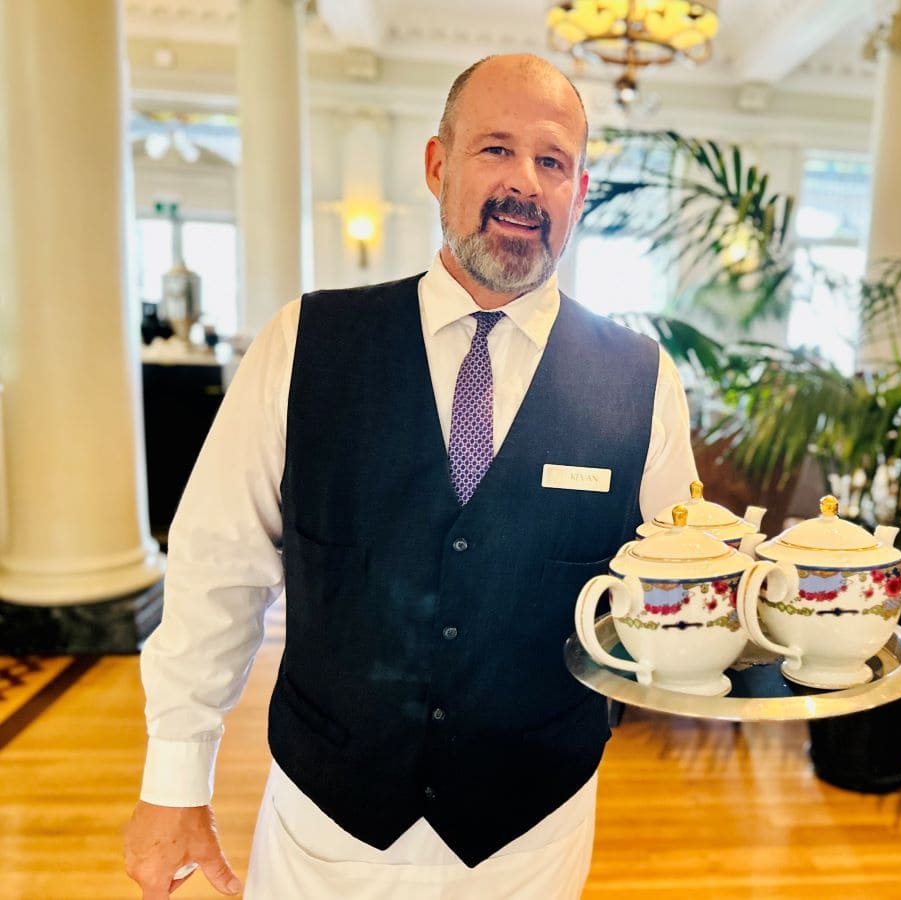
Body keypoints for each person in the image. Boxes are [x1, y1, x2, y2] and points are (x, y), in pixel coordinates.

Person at [123, 53, 697, 899]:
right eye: (495, 149)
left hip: (532, 833)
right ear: (437, 166)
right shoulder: (303, 345)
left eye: (553, 161)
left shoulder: (643, 382)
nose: (525, 183)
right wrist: (175, 781)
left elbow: (679, 588)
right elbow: (218, 567)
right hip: (327, 826)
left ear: (579, 192)